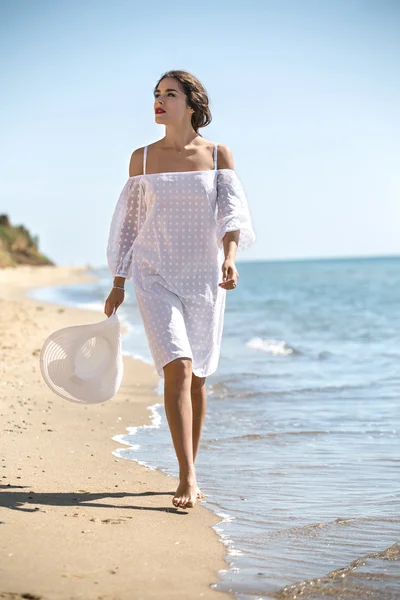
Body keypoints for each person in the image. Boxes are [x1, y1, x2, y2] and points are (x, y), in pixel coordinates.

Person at [105, 69, 256, 509]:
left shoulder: (216, 155)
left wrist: (230, 257)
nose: (159, 100)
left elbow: (232, 214)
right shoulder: (143, 159)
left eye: (169, 94)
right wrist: (119, 280)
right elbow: (130, 224)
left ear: (191, 104)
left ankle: (191, 464)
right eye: (156, 94)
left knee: (199, 378)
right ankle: (187, 476)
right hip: (154, 274)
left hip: (205, 277)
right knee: (178, 367)